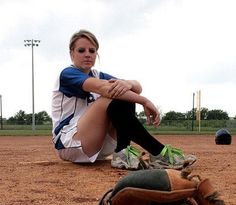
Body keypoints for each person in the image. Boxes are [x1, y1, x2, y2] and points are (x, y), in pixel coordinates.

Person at [51, 29, 196, 170]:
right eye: (81, 50)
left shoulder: (97, 74)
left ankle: (123, 153)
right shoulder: (67, 74)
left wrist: (128, 83)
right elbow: (106, 89)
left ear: (96, 54)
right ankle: (158, 151)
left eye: (92, 50)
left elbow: (136, 87)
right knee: (113, 94)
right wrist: (144, 101)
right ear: (72, 54)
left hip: (96, 143)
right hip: (69, 143)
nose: (87, 54)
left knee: (124, 93)